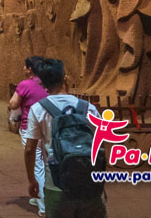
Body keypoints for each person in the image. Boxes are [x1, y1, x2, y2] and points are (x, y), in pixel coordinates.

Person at [26, 58, 104, 218]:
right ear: (65, 78)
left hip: (56, 182)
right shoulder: (88, 108)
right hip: (89, 181)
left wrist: (32, 180)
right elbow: (100, 145)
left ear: (43, 84)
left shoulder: (38, 109)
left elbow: (29, 149)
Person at [10, 56, 48, 215]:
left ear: (30, 69)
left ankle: (44, 206)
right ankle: (40, 196)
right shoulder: (48, 83)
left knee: (37, 165)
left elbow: (13, 104)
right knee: (47, 164)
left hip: (30, 128)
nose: (23, 68)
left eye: (25, 66)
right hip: (48, 128)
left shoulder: (25, 84)